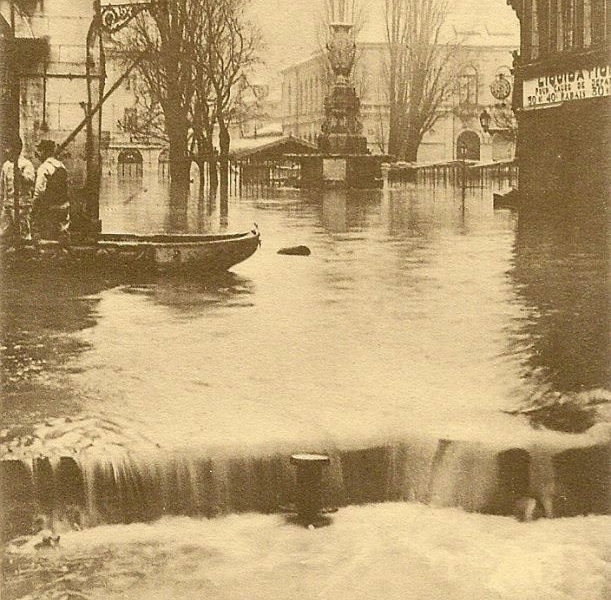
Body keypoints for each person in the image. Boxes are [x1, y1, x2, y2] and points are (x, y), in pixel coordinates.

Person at [32, 139, 70, 241]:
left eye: (39, 151)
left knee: (47, 239)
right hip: (64, 206)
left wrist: (34, 207)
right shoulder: (61, 165)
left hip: (49, 209)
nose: (38, 154)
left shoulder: (44, 167)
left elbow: (39, 191)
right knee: (63, 236)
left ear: (44, 151)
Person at [0, 137, 36, 241]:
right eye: (5, 148)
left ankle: (25, 254)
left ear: (17, 149)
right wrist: (2, 201)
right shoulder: (6, 165)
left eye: (9, 148)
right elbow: (2, 186)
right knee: (3, 231)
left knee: (24, 233)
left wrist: (21, 175)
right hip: (8, 205)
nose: (6, 151)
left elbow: (30, 181)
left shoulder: (26, 164)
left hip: (22, 205)